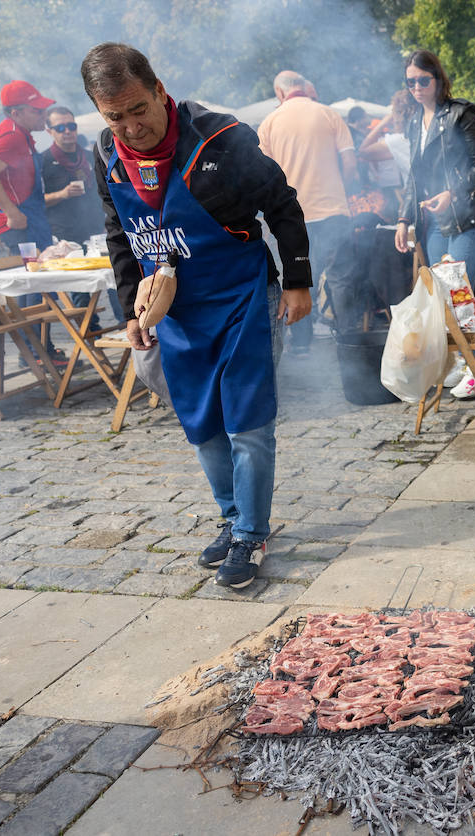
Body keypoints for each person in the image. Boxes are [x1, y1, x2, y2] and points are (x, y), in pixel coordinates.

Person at [83, 42, 310, 588]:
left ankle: (252, 535)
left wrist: (298, 280)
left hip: (240, 296)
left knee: (246, 420)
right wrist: (130, 309)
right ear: (99, 111)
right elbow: (120, 235)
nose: (130, 126)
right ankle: (234, 519)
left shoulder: (221, 138)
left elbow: (282, 202)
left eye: (139, 109)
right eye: (115, 116)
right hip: (176, 310)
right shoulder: (105, 153)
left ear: (160, 90)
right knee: (201, 423)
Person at [391, 49, 475, 399]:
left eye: (423, 80)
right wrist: (404, 218)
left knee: (460, 296)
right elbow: (413, 178)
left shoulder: (461, 115)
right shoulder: (413, 124)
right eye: (411, 82)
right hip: (434, 223)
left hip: (469, 218)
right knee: (443, 301)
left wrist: (452, 192)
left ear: (438, 80)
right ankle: (459, 362)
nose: (417, 88)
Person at [258, 69, 358, 354]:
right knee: (341, 279)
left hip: (292, 220)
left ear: (280, 93)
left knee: (298, 280)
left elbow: (264, 180)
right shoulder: (329, 114)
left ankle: (301, 345)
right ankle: (349, 343)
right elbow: (350, 164)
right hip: (335, 211)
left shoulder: (269, 123)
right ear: (304, 88)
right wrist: (342, 192)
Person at [41, 105, 111, 321]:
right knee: (80, 291)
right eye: (60, 127)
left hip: (98, 229)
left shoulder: (90, 156)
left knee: (117, 280)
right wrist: (61, 194)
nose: (67, 131)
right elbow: (35, 202)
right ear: (49, 131)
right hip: (66, 234)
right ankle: (90, 334)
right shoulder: (42, 161)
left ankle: (127, 326)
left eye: (70, 126)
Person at [0, 80, 55, 256]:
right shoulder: (11, 135)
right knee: (36, 275)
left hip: (30, 214)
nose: (44, 115)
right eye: (37, 111)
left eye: (44, 109)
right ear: (15, 113)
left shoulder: (22, 133)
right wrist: (12, 213)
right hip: (20, 220)